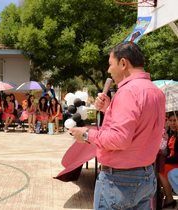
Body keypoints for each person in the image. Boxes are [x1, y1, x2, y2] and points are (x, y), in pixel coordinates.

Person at [69, 42, 166, 209]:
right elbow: (141, 127)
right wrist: (110, 109)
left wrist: (86, 134)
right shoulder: (155, 91)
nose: (108, 71)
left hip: (120, 180)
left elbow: (120, 139)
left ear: (123, 63)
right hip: (146, 176)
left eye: (110, 64)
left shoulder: (128, 91)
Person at [159, 111, 178, 208]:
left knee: (161, 169)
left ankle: (169, 198)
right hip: (172, 161)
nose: (173, 123)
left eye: (175, 120)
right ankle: (166, 196)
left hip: (175, 163)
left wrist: (165, 160)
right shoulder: (171, 133)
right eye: (170, 120)